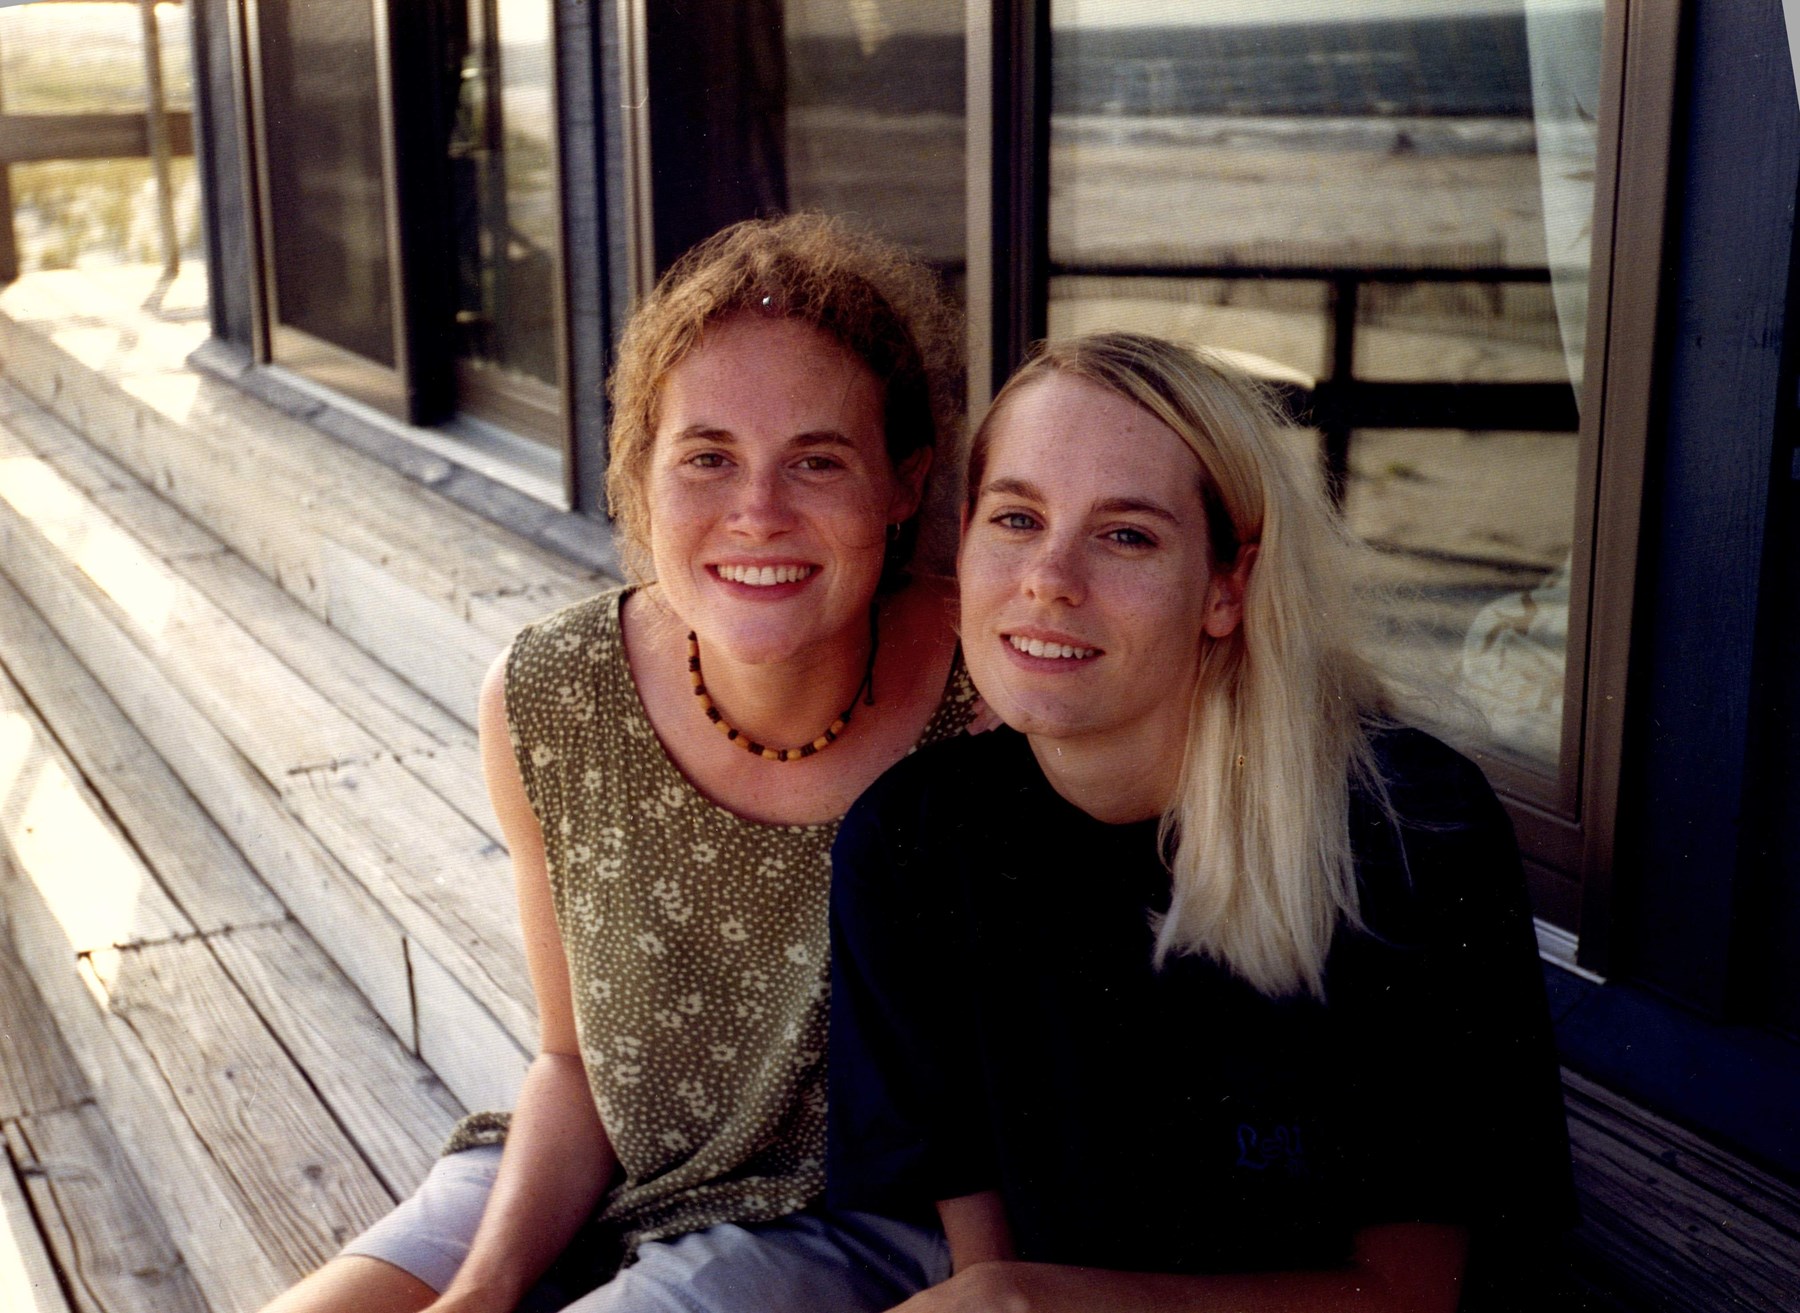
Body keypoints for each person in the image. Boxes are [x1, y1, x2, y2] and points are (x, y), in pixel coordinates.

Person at [262, 213, 976, 1313]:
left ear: (904, 481)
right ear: (641, 474)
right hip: (610, 1169)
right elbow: (572, 1064)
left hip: (846, 1219)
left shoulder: (988, 695)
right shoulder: (552, 697)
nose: (758, 512)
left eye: (818, 460)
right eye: (707, 458)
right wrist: (485, 1286)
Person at [827, 332, 1574, 1312]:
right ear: (964, 540)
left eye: (1127, 535)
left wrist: (1045, 1302)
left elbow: (1413, 1294)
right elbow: (989, 1266)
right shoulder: (911, 841)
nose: (1049, 576)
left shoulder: (1405, 830)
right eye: (1017, 517)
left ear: (1228, 585)